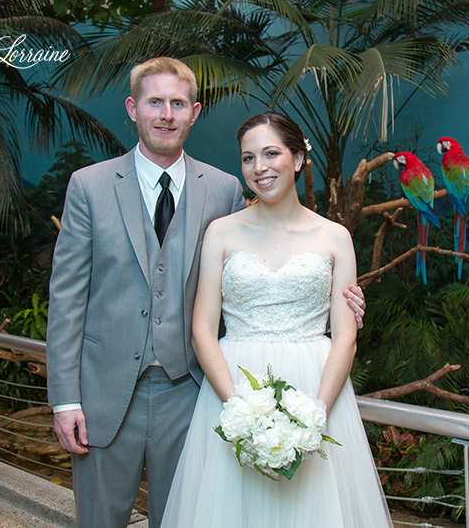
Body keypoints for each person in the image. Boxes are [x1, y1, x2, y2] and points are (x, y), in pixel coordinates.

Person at [46, 58, 367, 528]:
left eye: (177, 104)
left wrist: (346, 304)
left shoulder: (223, 190)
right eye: (155, 102)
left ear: (194, 112)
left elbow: (255, 278)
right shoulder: (89, 186)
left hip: (192, 394)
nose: (166, 114)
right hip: (104, 393)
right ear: (133, 108)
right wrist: (65, 399)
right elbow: (67, 298)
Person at [160, 112, 392, 528]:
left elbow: (345, 337)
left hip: (315, 383)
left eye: (271, 153)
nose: (259, 168)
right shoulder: (221, 232)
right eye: (248, 158)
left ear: (299, 157)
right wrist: (237, 408)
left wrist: (316, 413)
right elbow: (202, 330)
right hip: (233, 383)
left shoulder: (335, 237)